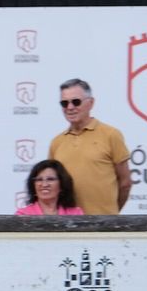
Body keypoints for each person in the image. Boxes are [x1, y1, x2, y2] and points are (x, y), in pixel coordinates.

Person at [48, 77, 130, 215]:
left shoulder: (111, 135)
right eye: (64, 103)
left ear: (91, 103)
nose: (70, 107)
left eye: (76, 102)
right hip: (66, 228)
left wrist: (111, 214)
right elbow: (52, 186)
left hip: (104, 227)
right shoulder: (56, 142)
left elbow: (125, 183)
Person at [16, 159, 84, 216]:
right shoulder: (23, 215)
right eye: (39, 180)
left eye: (50, 179)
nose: (44, 184)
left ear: (62, 185)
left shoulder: (75, 214)